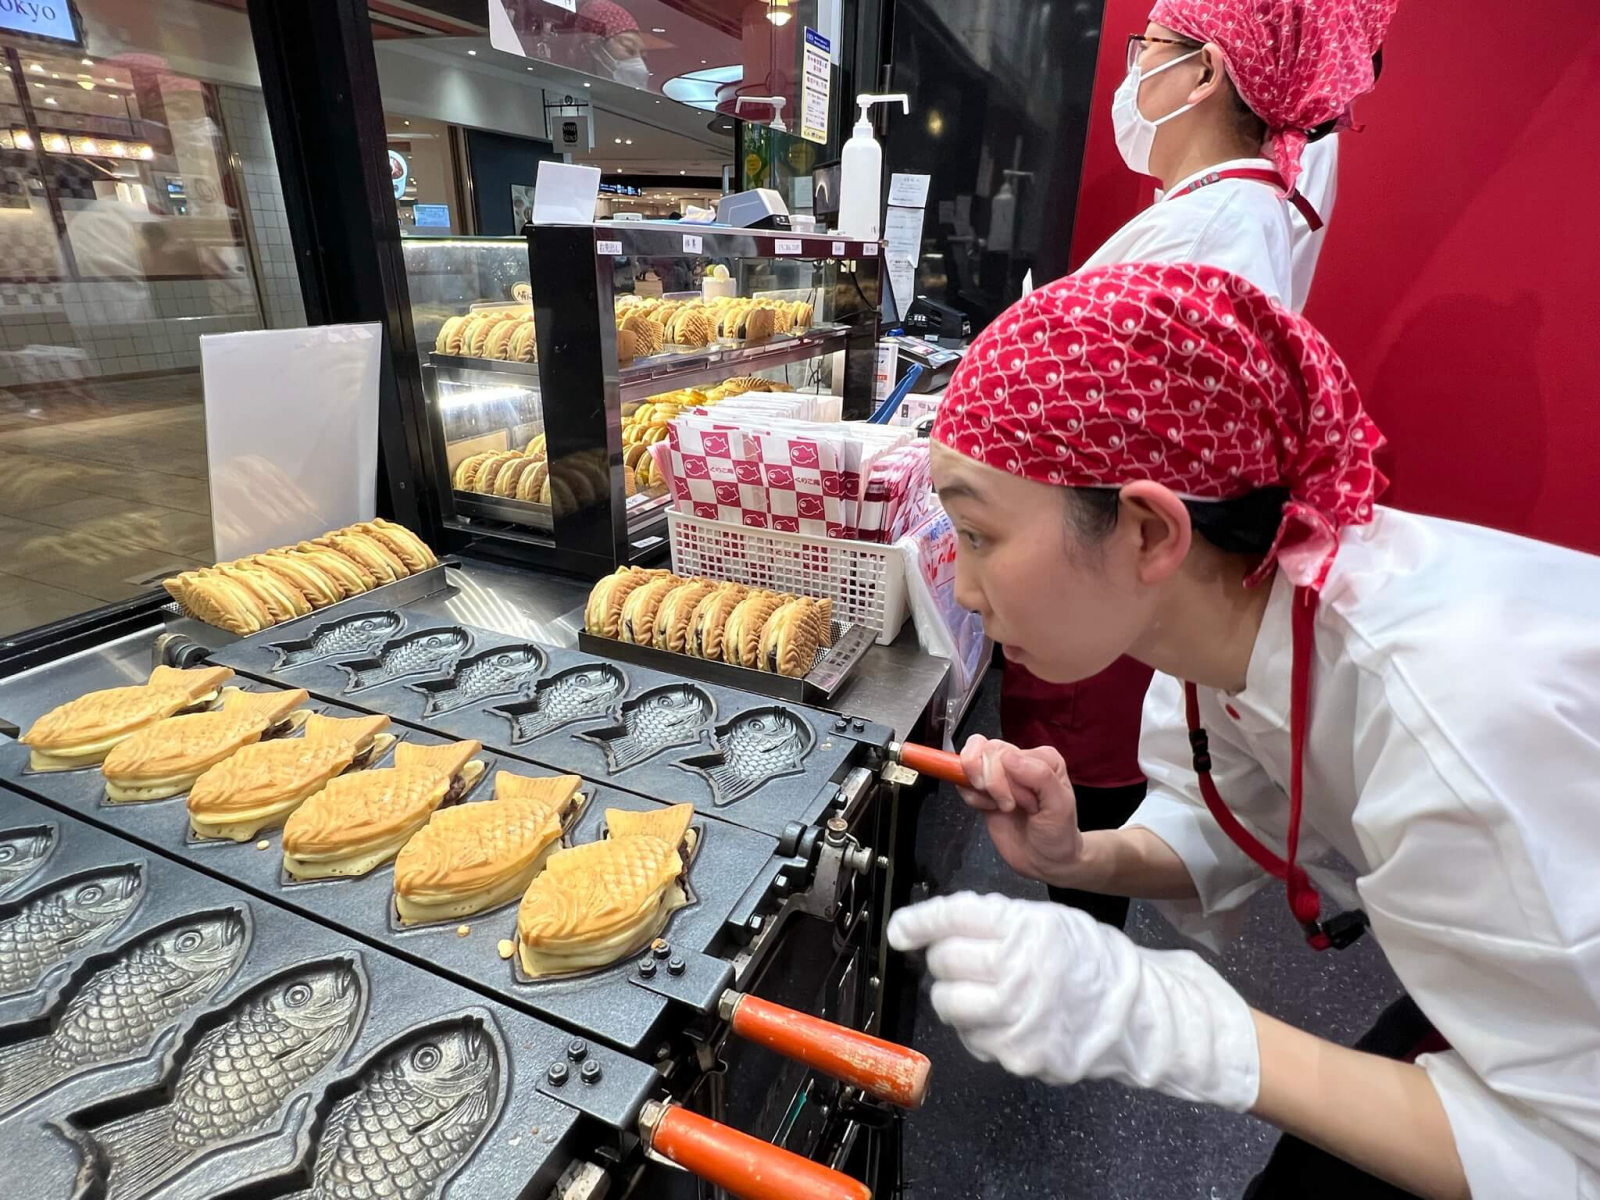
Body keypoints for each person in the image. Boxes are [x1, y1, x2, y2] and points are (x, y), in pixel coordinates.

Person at [894, 261, 1600, 1199]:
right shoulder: (1229, 615)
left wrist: (1187, 1027)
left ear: (1149, 531)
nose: (964, 590)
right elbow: (1226, 812)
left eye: (976, 537)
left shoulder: (1447, 730)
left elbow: (1566, 1154)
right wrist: (1079, 858)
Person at [1002, 0, 1394, 929]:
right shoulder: (1222, 213)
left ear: (1207, 72)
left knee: (1095, 778)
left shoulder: (1210, 237)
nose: (1134, 74)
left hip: (1108, 577)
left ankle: (1076, 964)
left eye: (1148, 50)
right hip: (1118, 576)